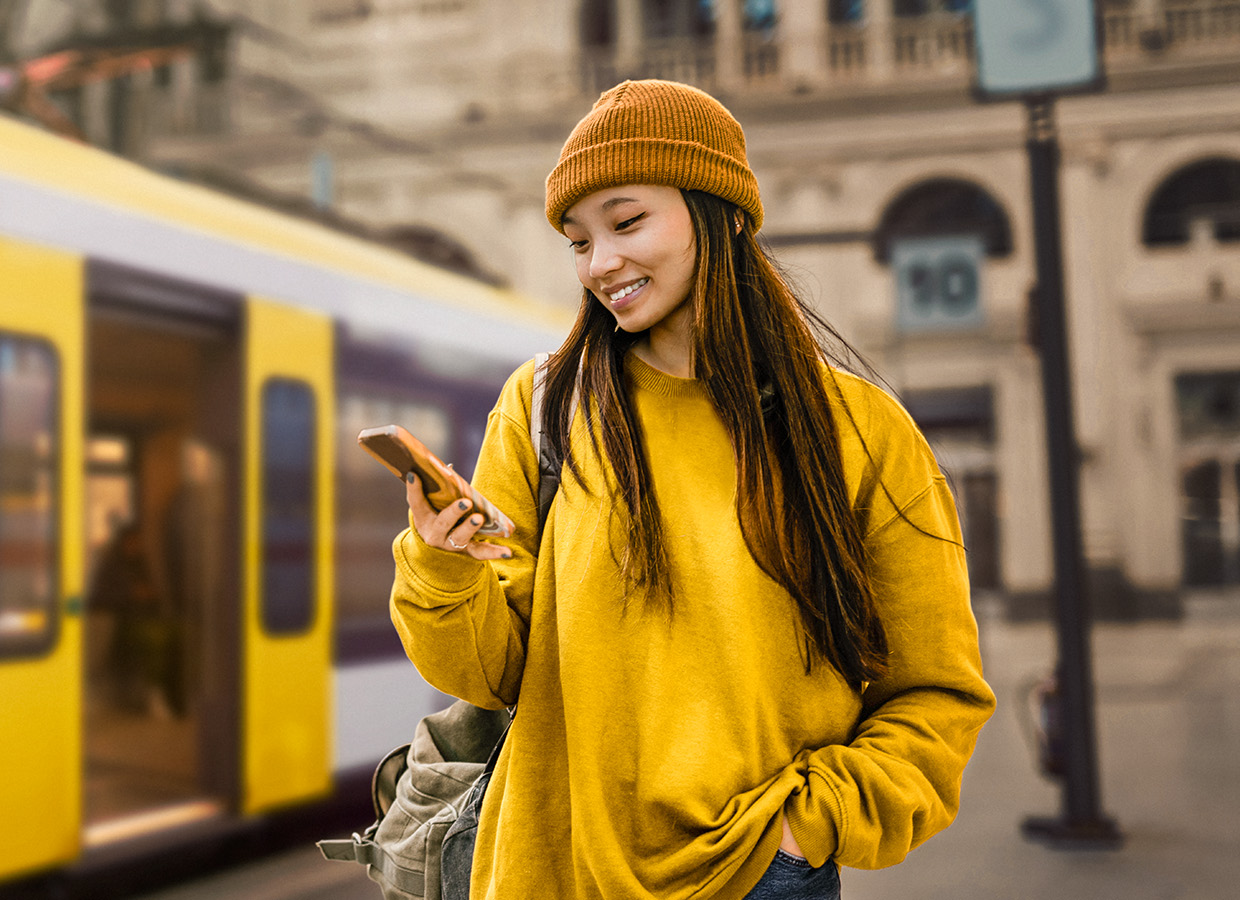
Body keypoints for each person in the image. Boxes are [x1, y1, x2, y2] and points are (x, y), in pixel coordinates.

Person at [389, 79, 996, 900]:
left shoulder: (861, 432)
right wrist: (441, 563)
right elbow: (490, 674)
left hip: (758, 878)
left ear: (726, 215)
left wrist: (807, 829)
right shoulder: (543, 408)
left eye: (628, 221)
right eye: (578, 240)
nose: (601, 263)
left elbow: (937, 692)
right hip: (547, 874)